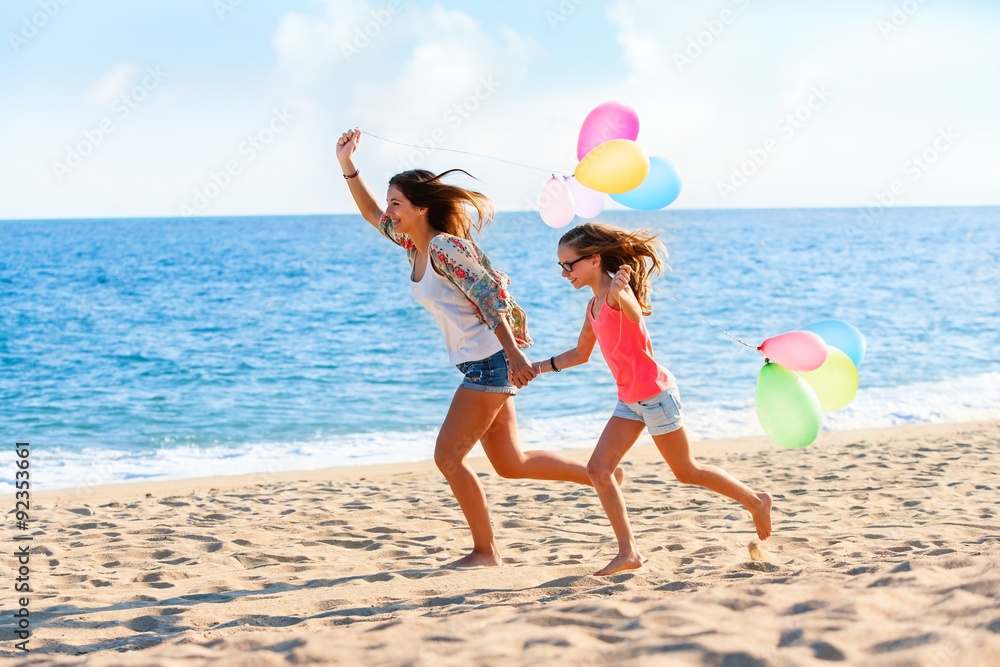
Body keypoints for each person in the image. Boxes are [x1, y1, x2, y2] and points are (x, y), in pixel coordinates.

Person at [335, 129, 621, 568]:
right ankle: (601, 475)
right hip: (483, 361)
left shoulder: (445, 247)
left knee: (447, 457)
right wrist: (347, 165)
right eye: (391, 203)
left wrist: (514, 355)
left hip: (490, 362)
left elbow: (491, 296)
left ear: (421, 209)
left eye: (397, 203)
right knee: (512, 463)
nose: (389, 211)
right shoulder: (415, 244)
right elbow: (371, 213)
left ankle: (485, 553)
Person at [531, 222, 772, 576]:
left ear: (595, 260)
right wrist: (536, 368)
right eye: (561, 266)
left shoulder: (615, 295)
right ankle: (628, 551)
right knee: (598, 469)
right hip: (629, 400)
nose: (565, 273)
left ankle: (756, 501)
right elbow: (581, 354)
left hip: (656, 396)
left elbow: (633, 314)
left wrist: (623, 291)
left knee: (686, 471)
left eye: (570, 265)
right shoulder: (593, 305)